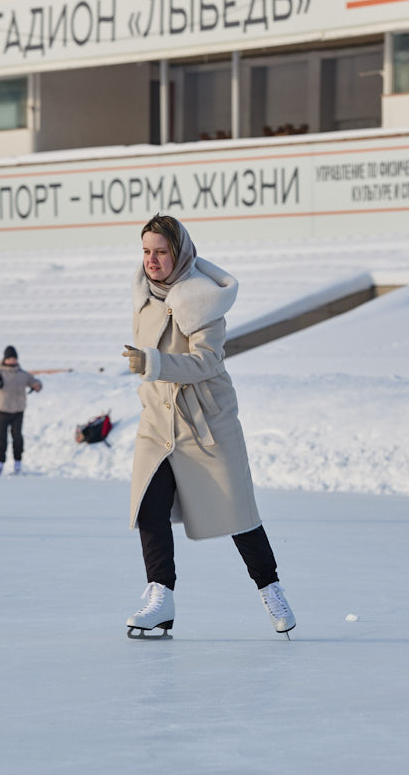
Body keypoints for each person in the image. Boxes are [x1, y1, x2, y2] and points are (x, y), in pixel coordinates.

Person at [121, 213, 296, 639]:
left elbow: (208, 361)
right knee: (149, 508)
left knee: (237, 513)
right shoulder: (143, 295)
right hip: (158, 420)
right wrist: (149, 374)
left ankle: (270, 588)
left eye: (161, 252)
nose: (152, 260)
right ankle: (161, 597)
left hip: (205, 420)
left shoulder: (202, 297)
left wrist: (154, 363)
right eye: (146, 251)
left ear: (178, 253)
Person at [0, 345, 42, 475]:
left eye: (14, 358)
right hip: (1, 410)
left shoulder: (22, 374)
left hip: (17, 411)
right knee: (1, 438)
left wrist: (37, 385)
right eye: (9, 358)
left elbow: (34, 381)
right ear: (5, 359)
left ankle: (18, 462)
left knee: (17, 437)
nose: (12, 361)